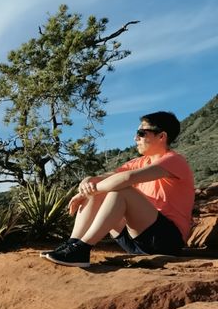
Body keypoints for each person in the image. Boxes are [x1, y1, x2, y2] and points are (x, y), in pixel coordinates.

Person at [47, 111, 196, 267]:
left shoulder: (174, 160)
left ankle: (83, 248)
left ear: (161, 136)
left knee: (121, 190)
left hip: (167, 241)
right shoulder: (139, 162)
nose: (135, 138)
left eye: (141, 133)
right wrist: (86, 183)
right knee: (102, 189)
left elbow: (127, 179)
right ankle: (74, 244)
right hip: (136, 241)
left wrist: (93, 189)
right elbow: (103, 178)